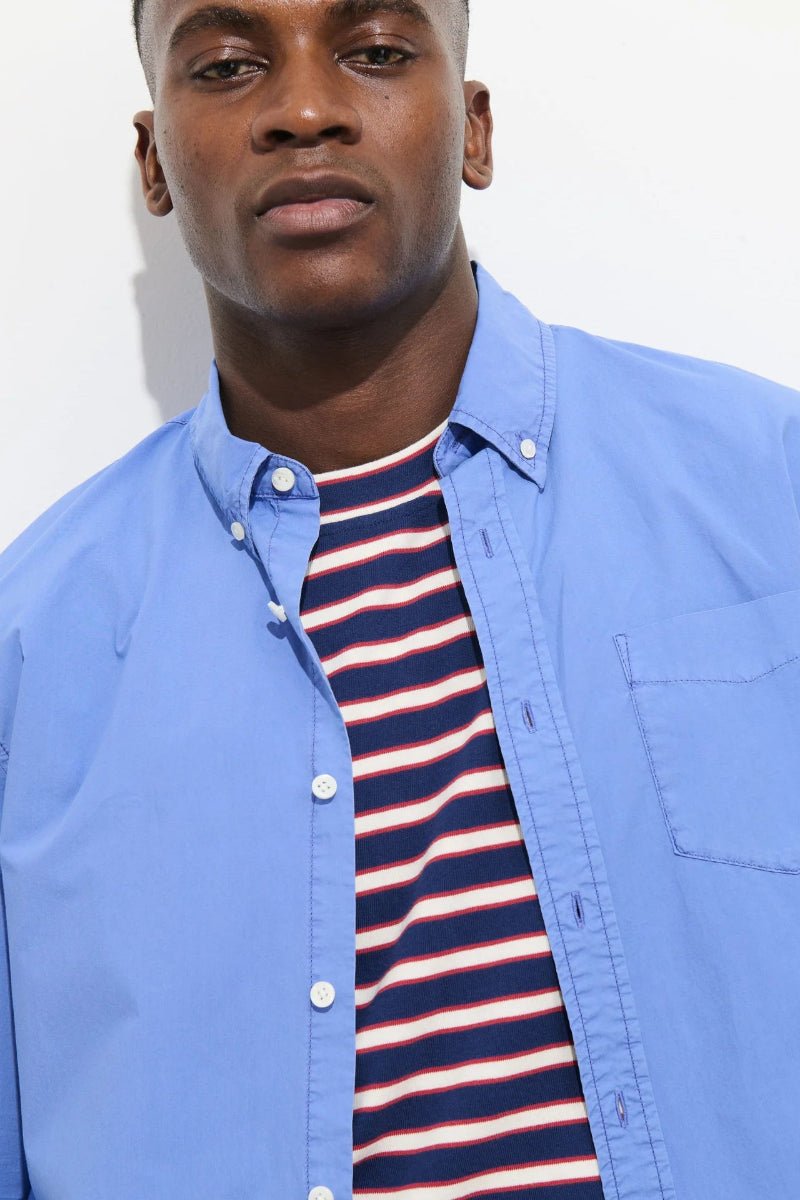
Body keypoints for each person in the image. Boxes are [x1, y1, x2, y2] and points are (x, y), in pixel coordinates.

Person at [1, 0, 798, 1196]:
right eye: (225, 66)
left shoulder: (765, 488)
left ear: (473, 130)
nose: (306, 109)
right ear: (152, 162)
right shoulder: (31, 652)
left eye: (374, 51)